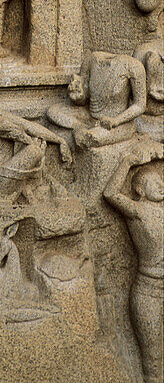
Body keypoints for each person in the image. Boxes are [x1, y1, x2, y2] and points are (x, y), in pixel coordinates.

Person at [103, 142, 163, 383]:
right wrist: (127, 161)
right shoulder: (138, 211)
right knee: (153, 362)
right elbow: (110, 193)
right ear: (139, 189)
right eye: (154, 182)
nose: (161, 184)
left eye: (161, 180)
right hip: (149, 290)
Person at [46, 51, 147, 148]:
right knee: (53, 111)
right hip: (90, 116)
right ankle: (78, 127)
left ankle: (83, 131)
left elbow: (139, 105)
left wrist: (116, 121)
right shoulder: (92, 59)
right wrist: (78, 93)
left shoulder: (134, 66)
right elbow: (84, 99)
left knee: (91, 138)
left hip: (116, 124)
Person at [0, 106, 71, 203]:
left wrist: (59, 140)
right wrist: (38, 150)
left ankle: (32, 183)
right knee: (34, 150)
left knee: (34, 146)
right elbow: (21, 134)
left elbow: (27, 126)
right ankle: (34, 182)